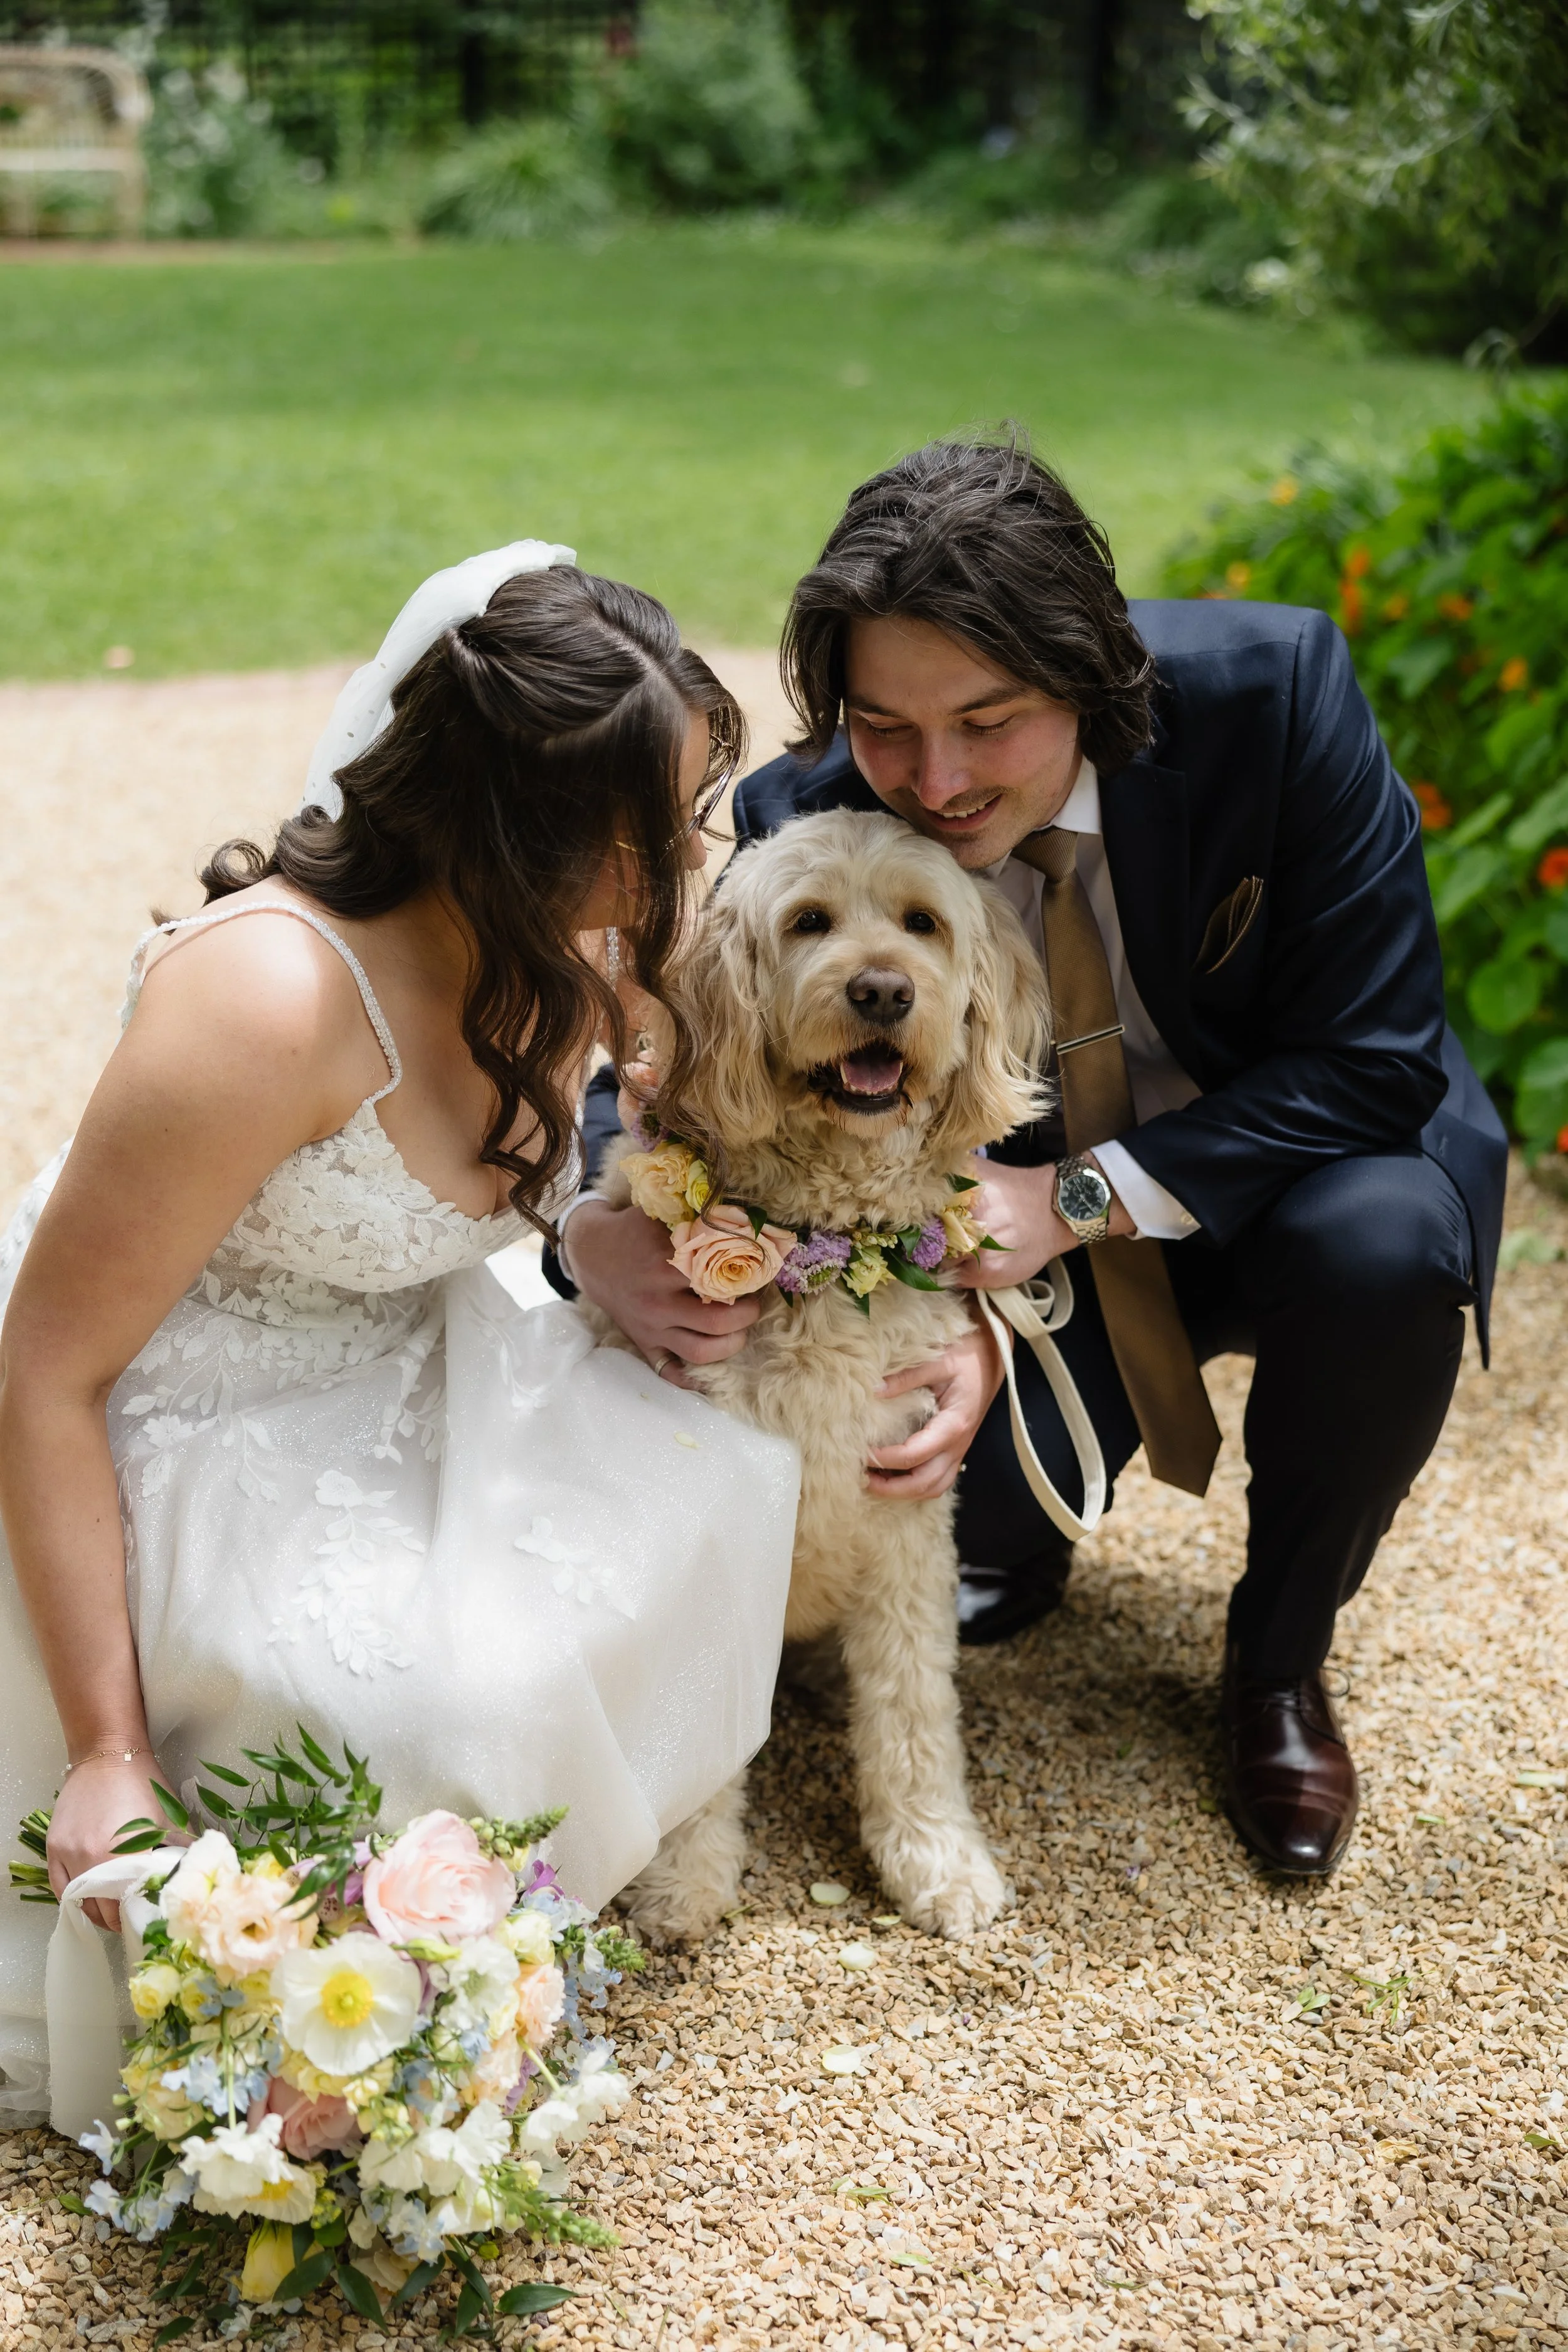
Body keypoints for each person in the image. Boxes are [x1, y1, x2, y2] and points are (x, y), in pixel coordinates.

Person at [556, 438, 1506, 1882]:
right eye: (883, 727)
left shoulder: (1278, 697)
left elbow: (1372, 1060)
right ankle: (1028, 1522)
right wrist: (595, 1225)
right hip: (988, 1248)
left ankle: (1276, 1668)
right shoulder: (796, 817)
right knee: (927, 1500)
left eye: (987, 722)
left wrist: (1072, 1204)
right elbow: (665, 1043)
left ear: (1086, 675)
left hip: (1283, 1181)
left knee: (1381, 1244)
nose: (932, 781)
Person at [0, 544, 798, 2126]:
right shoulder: (264, 1006)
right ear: (508, 835)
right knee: (419, 1705)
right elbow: (45, 1368)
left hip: (395, 1356)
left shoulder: (559, 943)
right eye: (649, 843)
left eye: (687, 821)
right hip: (168, 1400)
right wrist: (107, 1746)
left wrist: (588, 1238)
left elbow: (443, 1207)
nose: (680, 878)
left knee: (690, 1502)